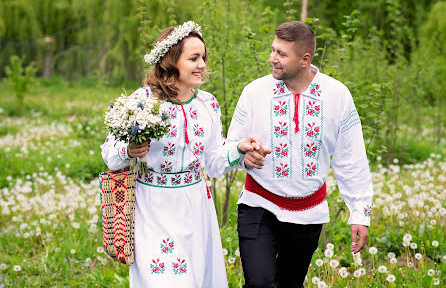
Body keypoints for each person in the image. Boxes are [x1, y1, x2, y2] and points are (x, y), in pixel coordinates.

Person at [101, 21, 265, 288]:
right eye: (193, 58)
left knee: (196, 279)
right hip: (152, 206)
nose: (201, 64)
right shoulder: (144, 100)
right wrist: (128, 150)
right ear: (171, 61)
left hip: (195, 204)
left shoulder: (207, 103)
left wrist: (239, 148)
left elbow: (212, 161)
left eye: (203, 57)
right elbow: (110, 154)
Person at [227, 21, 374, 287]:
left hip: (308, 213)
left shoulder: (337, 95)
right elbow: (232, 143)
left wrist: (360, 213)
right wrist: (243, 154)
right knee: (259, 283)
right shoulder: (254, 92)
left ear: (305, 59)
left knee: (290, 284)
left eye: (282, 54)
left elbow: (351, 160)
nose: (273, 58)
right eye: (273, 50)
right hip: (259, 205)